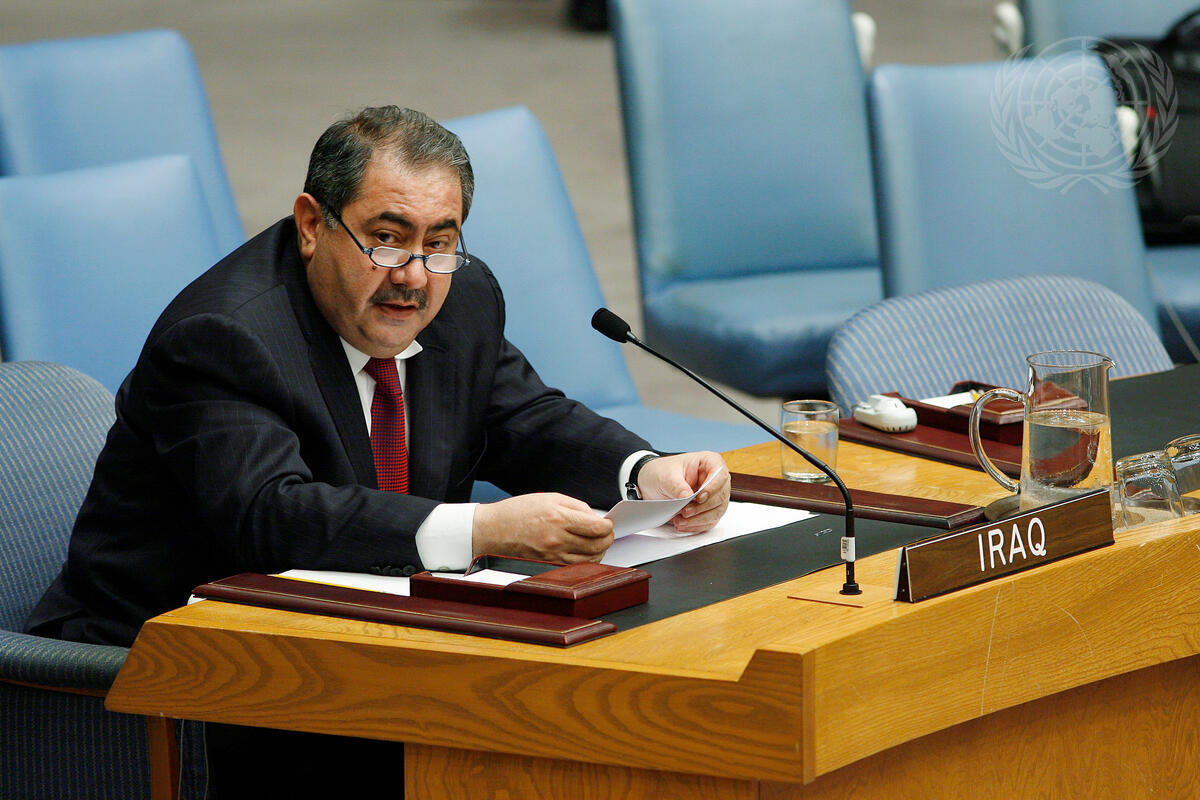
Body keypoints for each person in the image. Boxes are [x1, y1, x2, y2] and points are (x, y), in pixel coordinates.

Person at [25, 106, 729, 795]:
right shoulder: (223, 336)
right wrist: (483, 529)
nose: (414, 275)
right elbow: (270, 517)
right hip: (174, 682)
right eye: (386, 240)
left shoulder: (462, 296)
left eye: (439, 242)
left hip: (357, 654)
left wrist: (644, 471)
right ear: (312, 225)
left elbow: (522, 416)